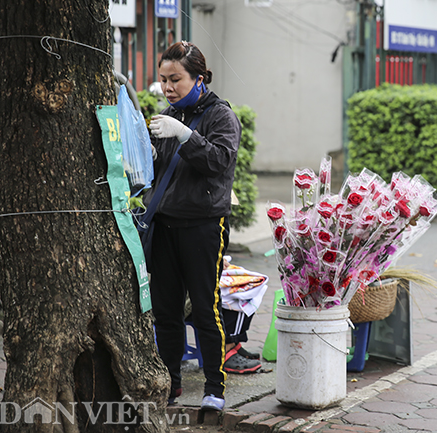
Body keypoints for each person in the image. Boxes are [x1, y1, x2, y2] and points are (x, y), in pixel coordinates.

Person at [146, 41, 242, 411]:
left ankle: (215, 389)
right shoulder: (170, 115)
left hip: (204, 226)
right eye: (164, 80)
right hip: (166, 225)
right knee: (166, 311)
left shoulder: (221, 116)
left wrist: (185, 136)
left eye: (176, 80)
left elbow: (218, 162)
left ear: (199, 79)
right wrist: (150, 156)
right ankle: (171, 385)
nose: (168, 88)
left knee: (205, 308)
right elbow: (163, 175)